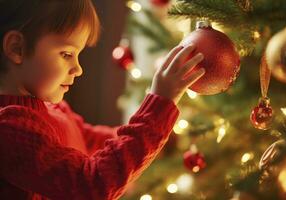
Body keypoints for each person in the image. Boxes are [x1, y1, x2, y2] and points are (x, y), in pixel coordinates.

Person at [0, 0, 205, 199]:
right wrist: (159, 104)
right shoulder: (9, 130)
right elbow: (93, 184)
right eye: (66, 54)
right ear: (17, 48)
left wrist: (158, 136)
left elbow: (96, 141)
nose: (78, 69)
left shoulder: (53, 109)